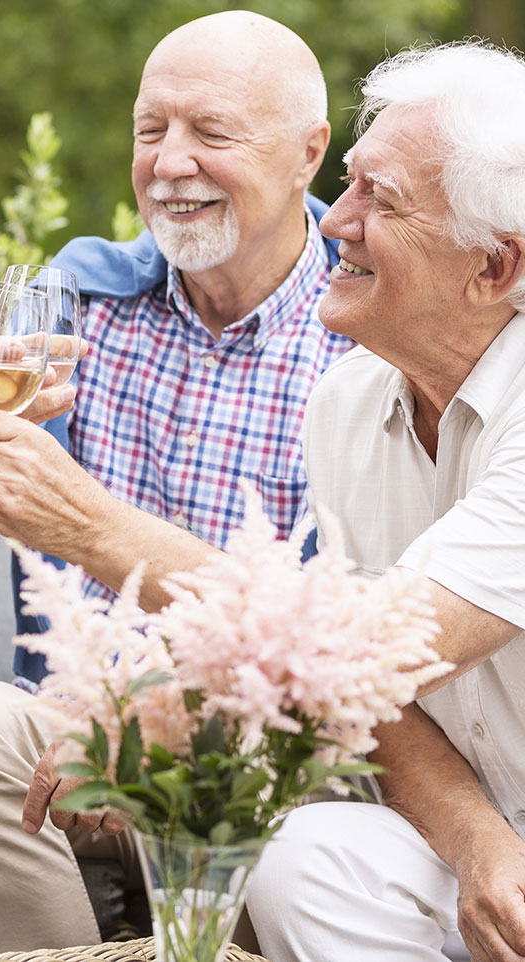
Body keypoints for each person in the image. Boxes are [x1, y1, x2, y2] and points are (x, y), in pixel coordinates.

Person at [0, 11, 352, 955]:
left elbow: (336, 638)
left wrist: (146, 718)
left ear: (309, 154)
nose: (170, 163)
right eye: (151, 131)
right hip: (63, 732)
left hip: (272, 740)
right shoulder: (85, 297)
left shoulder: (370, 333)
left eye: (211, 133)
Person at [240, 41, 525, 962]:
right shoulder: (347, 404)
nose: (334, 222)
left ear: (495, 266)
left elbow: (375, 648)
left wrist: (142, 703)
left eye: (382, 200)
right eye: (349, 185)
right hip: (494, 825)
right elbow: (375, 702)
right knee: (309, 860)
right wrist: (480, 840)